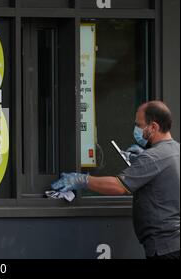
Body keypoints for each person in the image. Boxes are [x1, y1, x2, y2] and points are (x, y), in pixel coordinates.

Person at [51, 101, 180, 259]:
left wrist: (82, 179)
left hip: (165, 248)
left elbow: (119, 186)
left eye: (139, 125)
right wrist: (140, 163)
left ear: (153, 127)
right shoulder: (175, 150)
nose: (136, 130)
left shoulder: (153, 157)